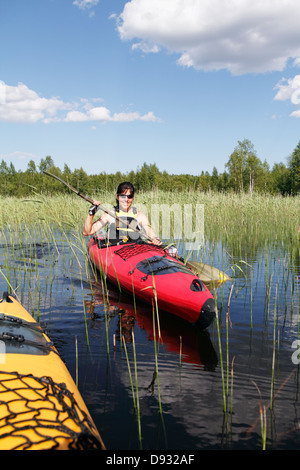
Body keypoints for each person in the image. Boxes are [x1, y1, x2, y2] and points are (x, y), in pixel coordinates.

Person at [83, 181, 162, 246]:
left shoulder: (140, 216)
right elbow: (87, 232)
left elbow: (150, 233)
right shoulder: (109, 214)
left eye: (129, 196)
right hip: (114, 252)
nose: (126, 199)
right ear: (118, 197)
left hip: (134, 252)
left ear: (133, 197)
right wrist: (91, 213)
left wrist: (155, 239)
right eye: (123, 196)